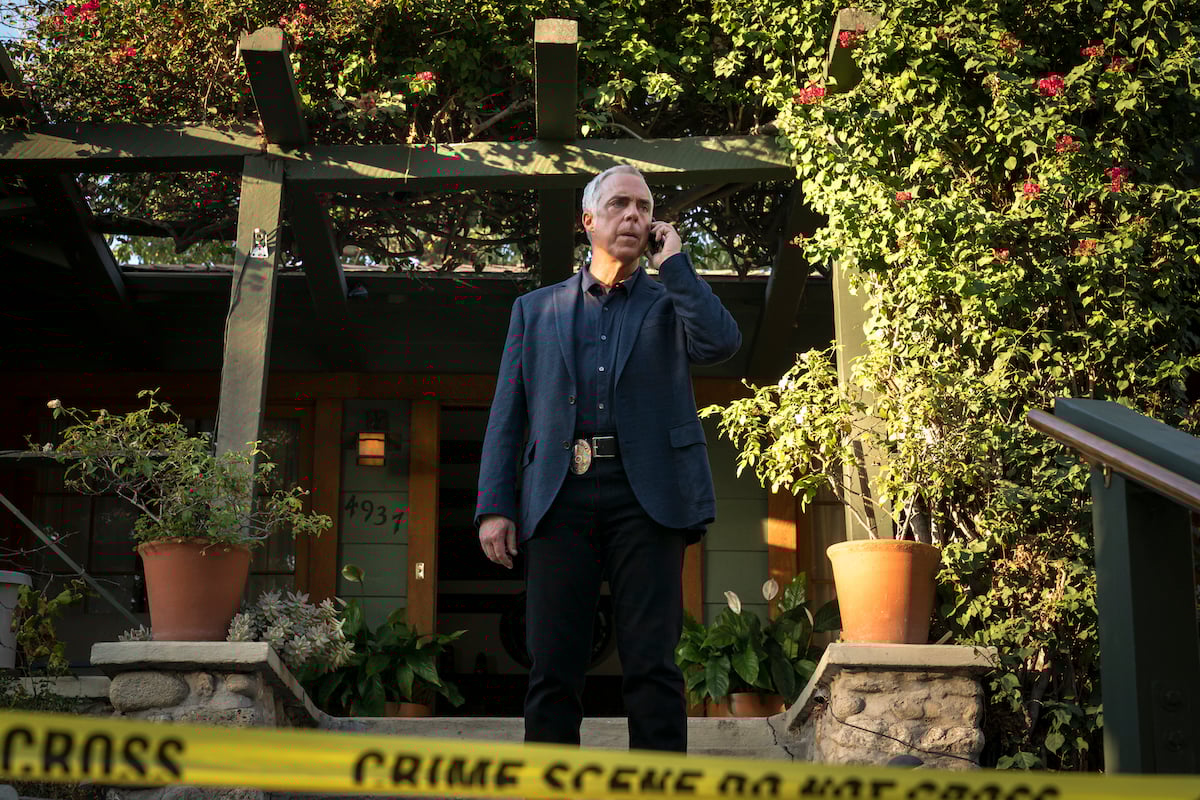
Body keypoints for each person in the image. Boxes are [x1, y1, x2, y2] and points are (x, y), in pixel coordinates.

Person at [474, 164, 742, 752]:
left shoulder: (672, 299)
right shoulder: (534, 309)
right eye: (620, 204)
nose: (634, 216)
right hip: (556, 496)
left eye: (644, 208)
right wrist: (495, 505)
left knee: (653, 666)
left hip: (648, 499)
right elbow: (508, 413)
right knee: (552, 669)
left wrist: (675, 265)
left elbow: (721, 344)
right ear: (588, 219)